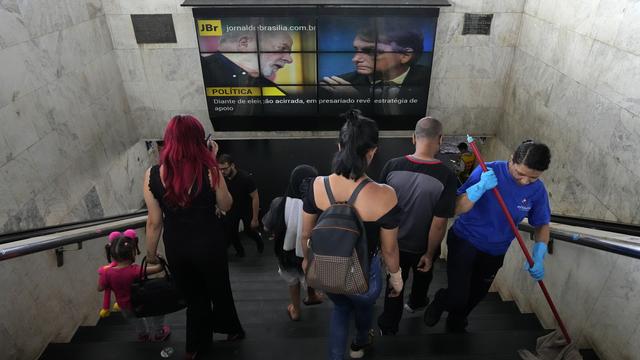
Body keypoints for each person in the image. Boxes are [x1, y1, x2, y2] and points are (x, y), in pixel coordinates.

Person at [301, 109, 403, 360]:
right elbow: (389, 250)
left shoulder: (316, 186)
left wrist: (306, 262)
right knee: (363, 307)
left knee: (341, 308)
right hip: (364, 273)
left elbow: (305, 235)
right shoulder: (385, 195)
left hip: (328, 268)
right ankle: (359, 342)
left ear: (339, 145)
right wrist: (397, 278)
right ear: (372, 151)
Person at [424, 140, 552, 332]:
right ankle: (442, 300)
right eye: (520, 174)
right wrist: (479, 188)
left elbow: (542, 224)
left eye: (532, 178)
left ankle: (457, 319)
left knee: (476, 294)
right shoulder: (487, 171)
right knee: (458, 295)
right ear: (511, 160)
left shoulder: (538, 191)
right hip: (465, 241)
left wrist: (539, 253)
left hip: (496, 251)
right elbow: (457, 208)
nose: (525, 181)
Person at [144, 115, 244, 359]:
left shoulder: (153, 174)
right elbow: (227, 204)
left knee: (194, 298)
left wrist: (151, 255)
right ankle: (230, 331)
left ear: (169, 141)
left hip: (177, 246)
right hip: (210, 243)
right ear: (200, 140)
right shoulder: (209, 169)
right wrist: (212, 162)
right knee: (219, 290)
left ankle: (194, 348)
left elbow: (154, 222)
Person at [376, 117, 458, 335]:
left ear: (413, 137)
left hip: (393, 245)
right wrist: (430, 254)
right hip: (423, 247)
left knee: (394, 285)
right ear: (441, 139)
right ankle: (416, 302)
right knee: (424, 276)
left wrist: (383, 248)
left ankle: (389, 326)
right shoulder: (447, 175)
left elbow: (379, 209)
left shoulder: (392, 166)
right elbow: (439, 223)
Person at [320, 26, 429, 115]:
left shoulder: (431, 81)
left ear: (405, 55)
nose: (355, 59)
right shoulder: (336, 86)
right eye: (356, 50)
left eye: (371, 51)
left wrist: (361, 101)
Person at [262, 164, 324, 321]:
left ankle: (295, 310)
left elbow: (267, 225)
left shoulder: (279, 203)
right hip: (310, 252)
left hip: (286, 254)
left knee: (292, 279)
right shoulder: (320, 204)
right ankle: (312, 295)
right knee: (308, 270)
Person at [98, 233, 170, 342]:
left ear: (111, 254)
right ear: (133, 253)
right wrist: (159, 257)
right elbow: (159, 268)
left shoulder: (107, 273)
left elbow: (100, 288)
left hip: (125, 306)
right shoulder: (135, 270)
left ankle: (143, 335)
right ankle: (159, 333)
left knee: (136, 321)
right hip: (142, 303)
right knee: (158, 312)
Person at [202, 30, 293, 87]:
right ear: (244, 43)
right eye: (282, 48)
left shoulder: (270, 88)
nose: (290, 60)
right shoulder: (203, 72)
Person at [218, 154, 264, 257]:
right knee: (231, 232)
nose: (222, 172)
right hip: (232, 209)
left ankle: (259, 242)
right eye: (220, 169)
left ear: (232, 166)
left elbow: (255, 197)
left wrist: (255, 218)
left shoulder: (245, 178)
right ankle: (240, 252)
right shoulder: (223, 179)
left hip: (246, 209)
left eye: (225, 169)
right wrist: (218, 206)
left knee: (249, 231)